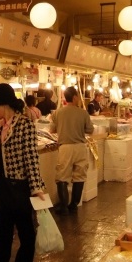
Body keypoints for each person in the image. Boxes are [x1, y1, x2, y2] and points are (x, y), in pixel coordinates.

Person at [0, 83, 47, 262]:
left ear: (4, 104)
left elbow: (32, 159)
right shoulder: (1, 126)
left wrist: (37, 188)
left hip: (21, 188)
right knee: (2, 236)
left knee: (26, 235)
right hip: (2, 188)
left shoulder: (25, 125)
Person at [49, 87, 94, 215]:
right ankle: (74, 205)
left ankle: (63, 206)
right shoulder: (83, 113)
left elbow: (52, 130)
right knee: (79, 176)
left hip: (65, 148)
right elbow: (90, 130)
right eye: (78, 96)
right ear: (74, 97)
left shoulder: (57, 113)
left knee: (62, 177)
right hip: (80, 147)